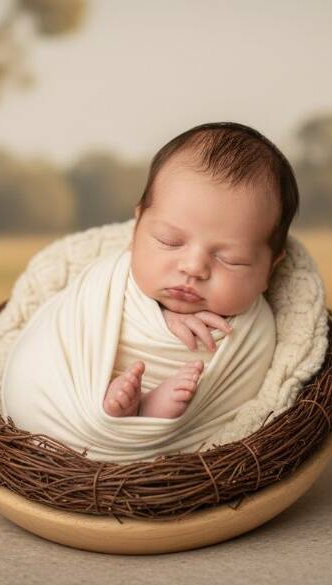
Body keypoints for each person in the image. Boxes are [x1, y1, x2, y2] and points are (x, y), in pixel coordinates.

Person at [102, 121, 299, 419]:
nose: (193, 268)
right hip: (80, 391)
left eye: (232, 260)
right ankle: (112, 402)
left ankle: (148, 413)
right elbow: (70, 329)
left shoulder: (255, 333)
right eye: (169, 241)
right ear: (137, 226)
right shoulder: (108, 282)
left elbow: (247, 406)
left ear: (269, 269)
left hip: (192, 427)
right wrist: (164, 319)